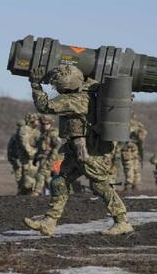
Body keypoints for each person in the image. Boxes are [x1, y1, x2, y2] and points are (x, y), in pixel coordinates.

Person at [23, 65, 133, 236]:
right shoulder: (90, 92)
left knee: (100, 185)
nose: (55, 86)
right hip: (77, 150)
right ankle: (49, 221)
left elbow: (44, 106)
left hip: (90, 152)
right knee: (59, 182)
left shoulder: (74, 100)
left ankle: (122, 221)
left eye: (56, 83)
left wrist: (36, 85)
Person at [32, 115, 60, 196]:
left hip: (52, 160)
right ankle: (56, 193)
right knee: (48, 178)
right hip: (44, 159)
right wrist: (35, 158)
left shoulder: (53, 133)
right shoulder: (43, 134)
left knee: (41, 174)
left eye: (47, 124)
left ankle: (36, 192)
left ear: (50, 124)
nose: (45, 126)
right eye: (43, 124)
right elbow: (40, 148)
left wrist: (50, 161)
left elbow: (57, 148)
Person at [120, 113, 147, 190]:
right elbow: (142, 136)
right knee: (135, 166)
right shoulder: (138, 124)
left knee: (129, 166)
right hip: (135, 148)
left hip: (127, 148)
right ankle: (136, 184)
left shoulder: (124, 124)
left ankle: (129, 184)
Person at [18, 113, 40, 195]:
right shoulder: (24, 129)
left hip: (34, 159)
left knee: (35, 179)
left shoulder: (36, 131)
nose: (38, 122)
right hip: (27, 159)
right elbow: (25, 143)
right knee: (27, 182)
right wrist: (32, 153)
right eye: (36, 120)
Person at [7, 120, 25, 195]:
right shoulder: (14, 137)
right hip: (17, 161)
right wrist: (13, 161)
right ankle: (21, 192)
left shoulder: (27, 136)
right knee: (19, 179)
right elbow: (9, 150)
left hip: (25, 161)